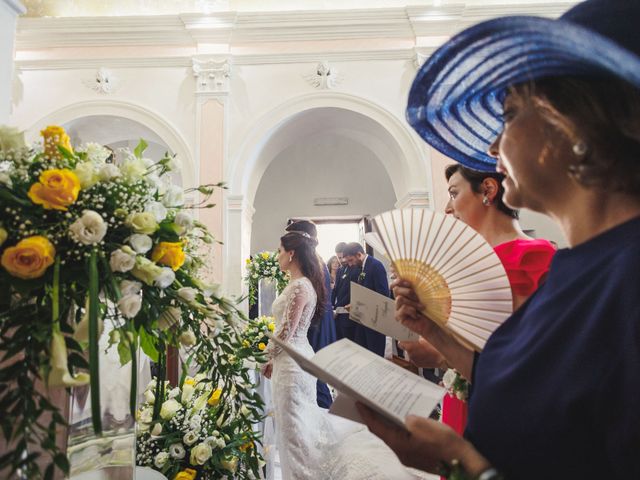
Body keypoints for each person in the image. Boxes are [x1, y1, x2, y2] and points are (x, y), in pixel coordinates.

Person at [357, 1, 640, 478]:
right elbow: (542, 387)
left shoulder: (628, 279)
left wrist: (463, 464)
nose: (492, 148)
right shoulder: (578, 269)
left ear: (573, 126)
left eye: (509, 114)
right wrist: (434, 332)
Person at [261, 229, 430, 480]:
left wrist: (267, 356)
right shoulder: (300, 284)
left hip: (291, 361)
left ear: (292, 253)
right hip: (295, 357)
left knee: (293, 426)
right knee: (296, 422)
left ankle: (302, 473)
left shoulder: (300, 287)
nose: (277, 256)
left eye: (279, 251)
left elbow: (287, 331)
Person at [401, 163, 556, 436]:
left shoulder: (531, 257)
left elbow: (533, 357)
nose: (447, 209)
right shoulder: (460, 267)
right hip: (462, 397)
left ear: (488, 190)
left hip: (505, 406)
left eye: (453, 193)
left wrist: (441, 355)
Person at [285, 220, 336, 408]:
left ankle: (323, 415)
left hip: (317, 323)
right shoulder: (315, 260)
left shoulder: (314, 263)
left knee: (316, 372)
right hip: (320, 320)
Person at [342, 242, 389, 356]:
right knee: (362, 353)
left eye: (351, 260)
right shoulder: (361, 267)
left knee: (375, 354)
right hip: (362, 319)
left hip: (374, 320)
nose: (350, 264)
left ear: (359, 254)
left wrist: (361, 304)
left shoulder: (376, 266)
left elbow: (383, 294)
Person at [331, 242, 359, 341]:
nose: (342, 260)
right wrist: (331, 305)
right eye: (339, 257)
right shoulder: (340, 270)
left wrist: (338, 308)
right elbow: (335, 289)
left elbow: (351, 293)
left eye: (343, 257)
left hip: (348, 315)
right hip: (337, 315)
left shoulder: (355, 269)